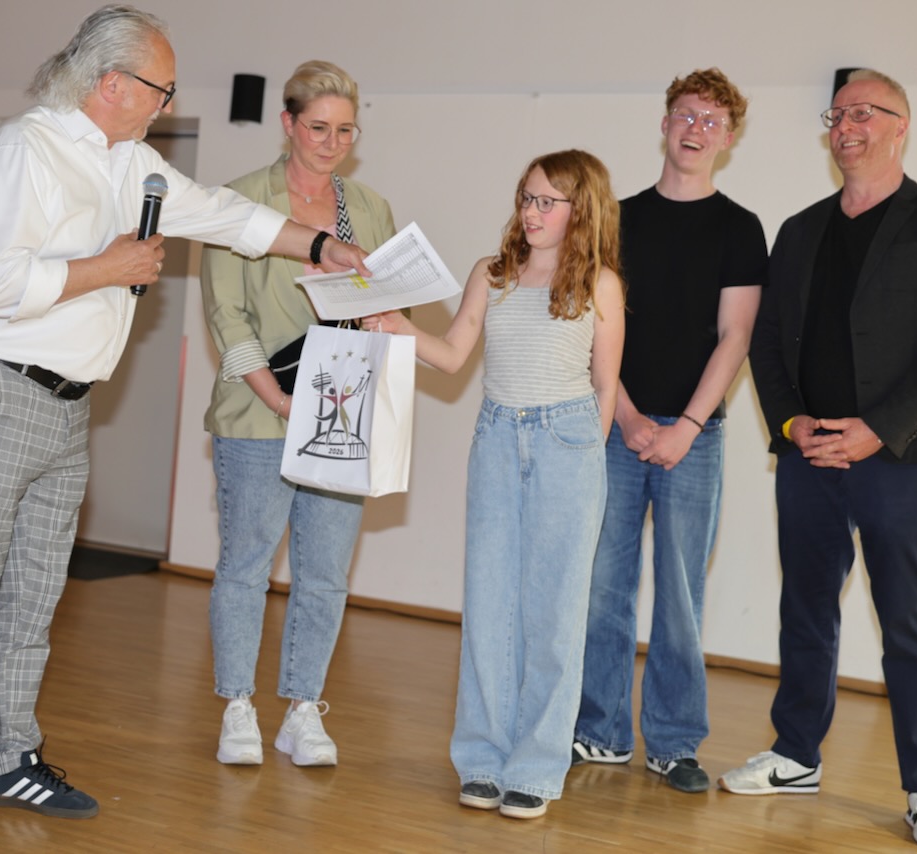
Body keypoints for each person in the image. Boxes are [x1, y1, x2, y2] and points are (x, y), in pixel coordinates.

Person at [0, 8, 368, 848]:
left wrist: (320, 248)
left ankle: (7, 758)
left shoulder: (133, 163)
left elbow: (225, 215)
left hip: (67, 408)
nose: (168, 104)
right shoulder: (23, 150)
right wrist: (112, 266)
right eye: (162, 89)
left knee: (35, 594)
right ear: (112, 83)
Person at [720, 70, 917, 852]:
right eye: (836, 115)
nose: (846, 126)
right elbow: (768, 343)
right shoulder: (800, 230)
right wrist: (790, 421)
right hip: (809, 454)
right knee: (805, 610)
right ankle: (796, 755)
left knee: (908, 623)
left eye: (864, 113)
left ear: (901, 126)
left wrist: (880, 428)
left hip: (902, 457)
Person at [365, 149, 624, 819]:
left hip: (569, 444)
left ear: (581, 209)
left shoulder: (600, 284)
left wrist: (585, 463)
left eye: (547, 202)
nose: (531, 212)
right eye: (526, 198)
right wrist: (398, 328)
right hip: (498, 439)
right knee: (488, 605)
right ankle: (481, 760)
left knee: (554, 615)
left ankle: (536, 767)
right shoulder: (493, 272)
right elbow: (454, 356)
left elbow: (605, 386)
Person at [570, 67, 767, 794]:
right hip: (614, 427)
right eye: (685, 114)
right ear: (664, 123)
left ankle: (675, 743)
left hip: (696, 440)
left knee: (682, 597)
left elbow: (736, 336)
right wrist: (623, 415)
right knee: (603, 586)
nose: (695, 129)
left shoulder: (740, 228)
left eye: (711, 121)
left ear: (729, 138)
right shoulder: (615, 221)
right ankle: (600, 732)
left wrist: (685, 426)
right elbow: (594, 328)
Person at [200, 60, 395, 769]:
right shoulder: (239, 201)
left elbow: (384, 306)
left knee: (326, 573)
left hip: (339, 414)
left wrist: (381, 309)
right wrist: (280, 398)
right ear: (287, 123)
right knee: (245, 565)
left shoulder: (368, 208)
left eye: (345, 130)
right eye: (318, 127)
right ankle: (237, 707)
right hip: (259, 412)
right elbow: (227, 315)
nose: (331, 142)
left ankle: (303, 709)